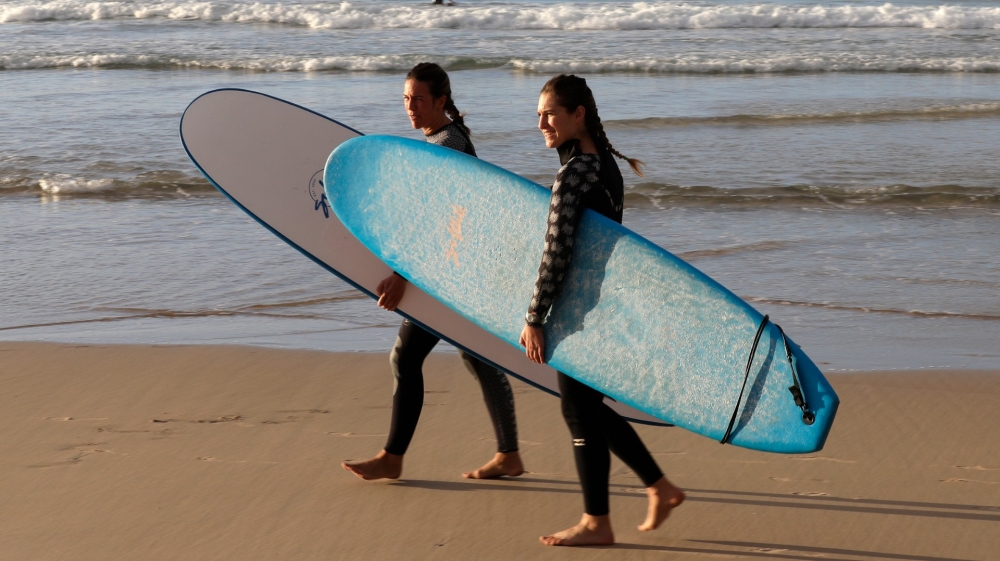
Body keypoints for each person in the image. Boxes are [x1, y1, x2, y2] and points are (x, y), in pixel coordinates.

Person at [519, 74, 685, 546]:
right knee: (586, 407)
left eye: (550, 114)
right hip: (602, 302)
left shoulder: (574, 174)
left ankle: (598, 521)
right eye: (538, 115)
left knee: (579, 408)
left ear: (578, 115)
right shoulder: (606, 166)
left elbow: (556, 252)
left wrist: (535, 317)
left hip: (578, 308)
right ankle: (659, 487)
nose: (541, 123)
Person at [342, 62, 524, 481]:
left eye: (419, 99)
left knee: (406, 357)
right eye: (406, 99)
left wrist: (402, 276)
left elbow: (441, 223)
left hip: (448, 276)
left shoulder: (449, 146)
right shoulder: (443, 140)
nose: (411, 107)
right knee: (476, 357)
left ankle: (393, 457)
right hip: (457, 271)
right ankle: (509, 454)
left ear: (441, 101)